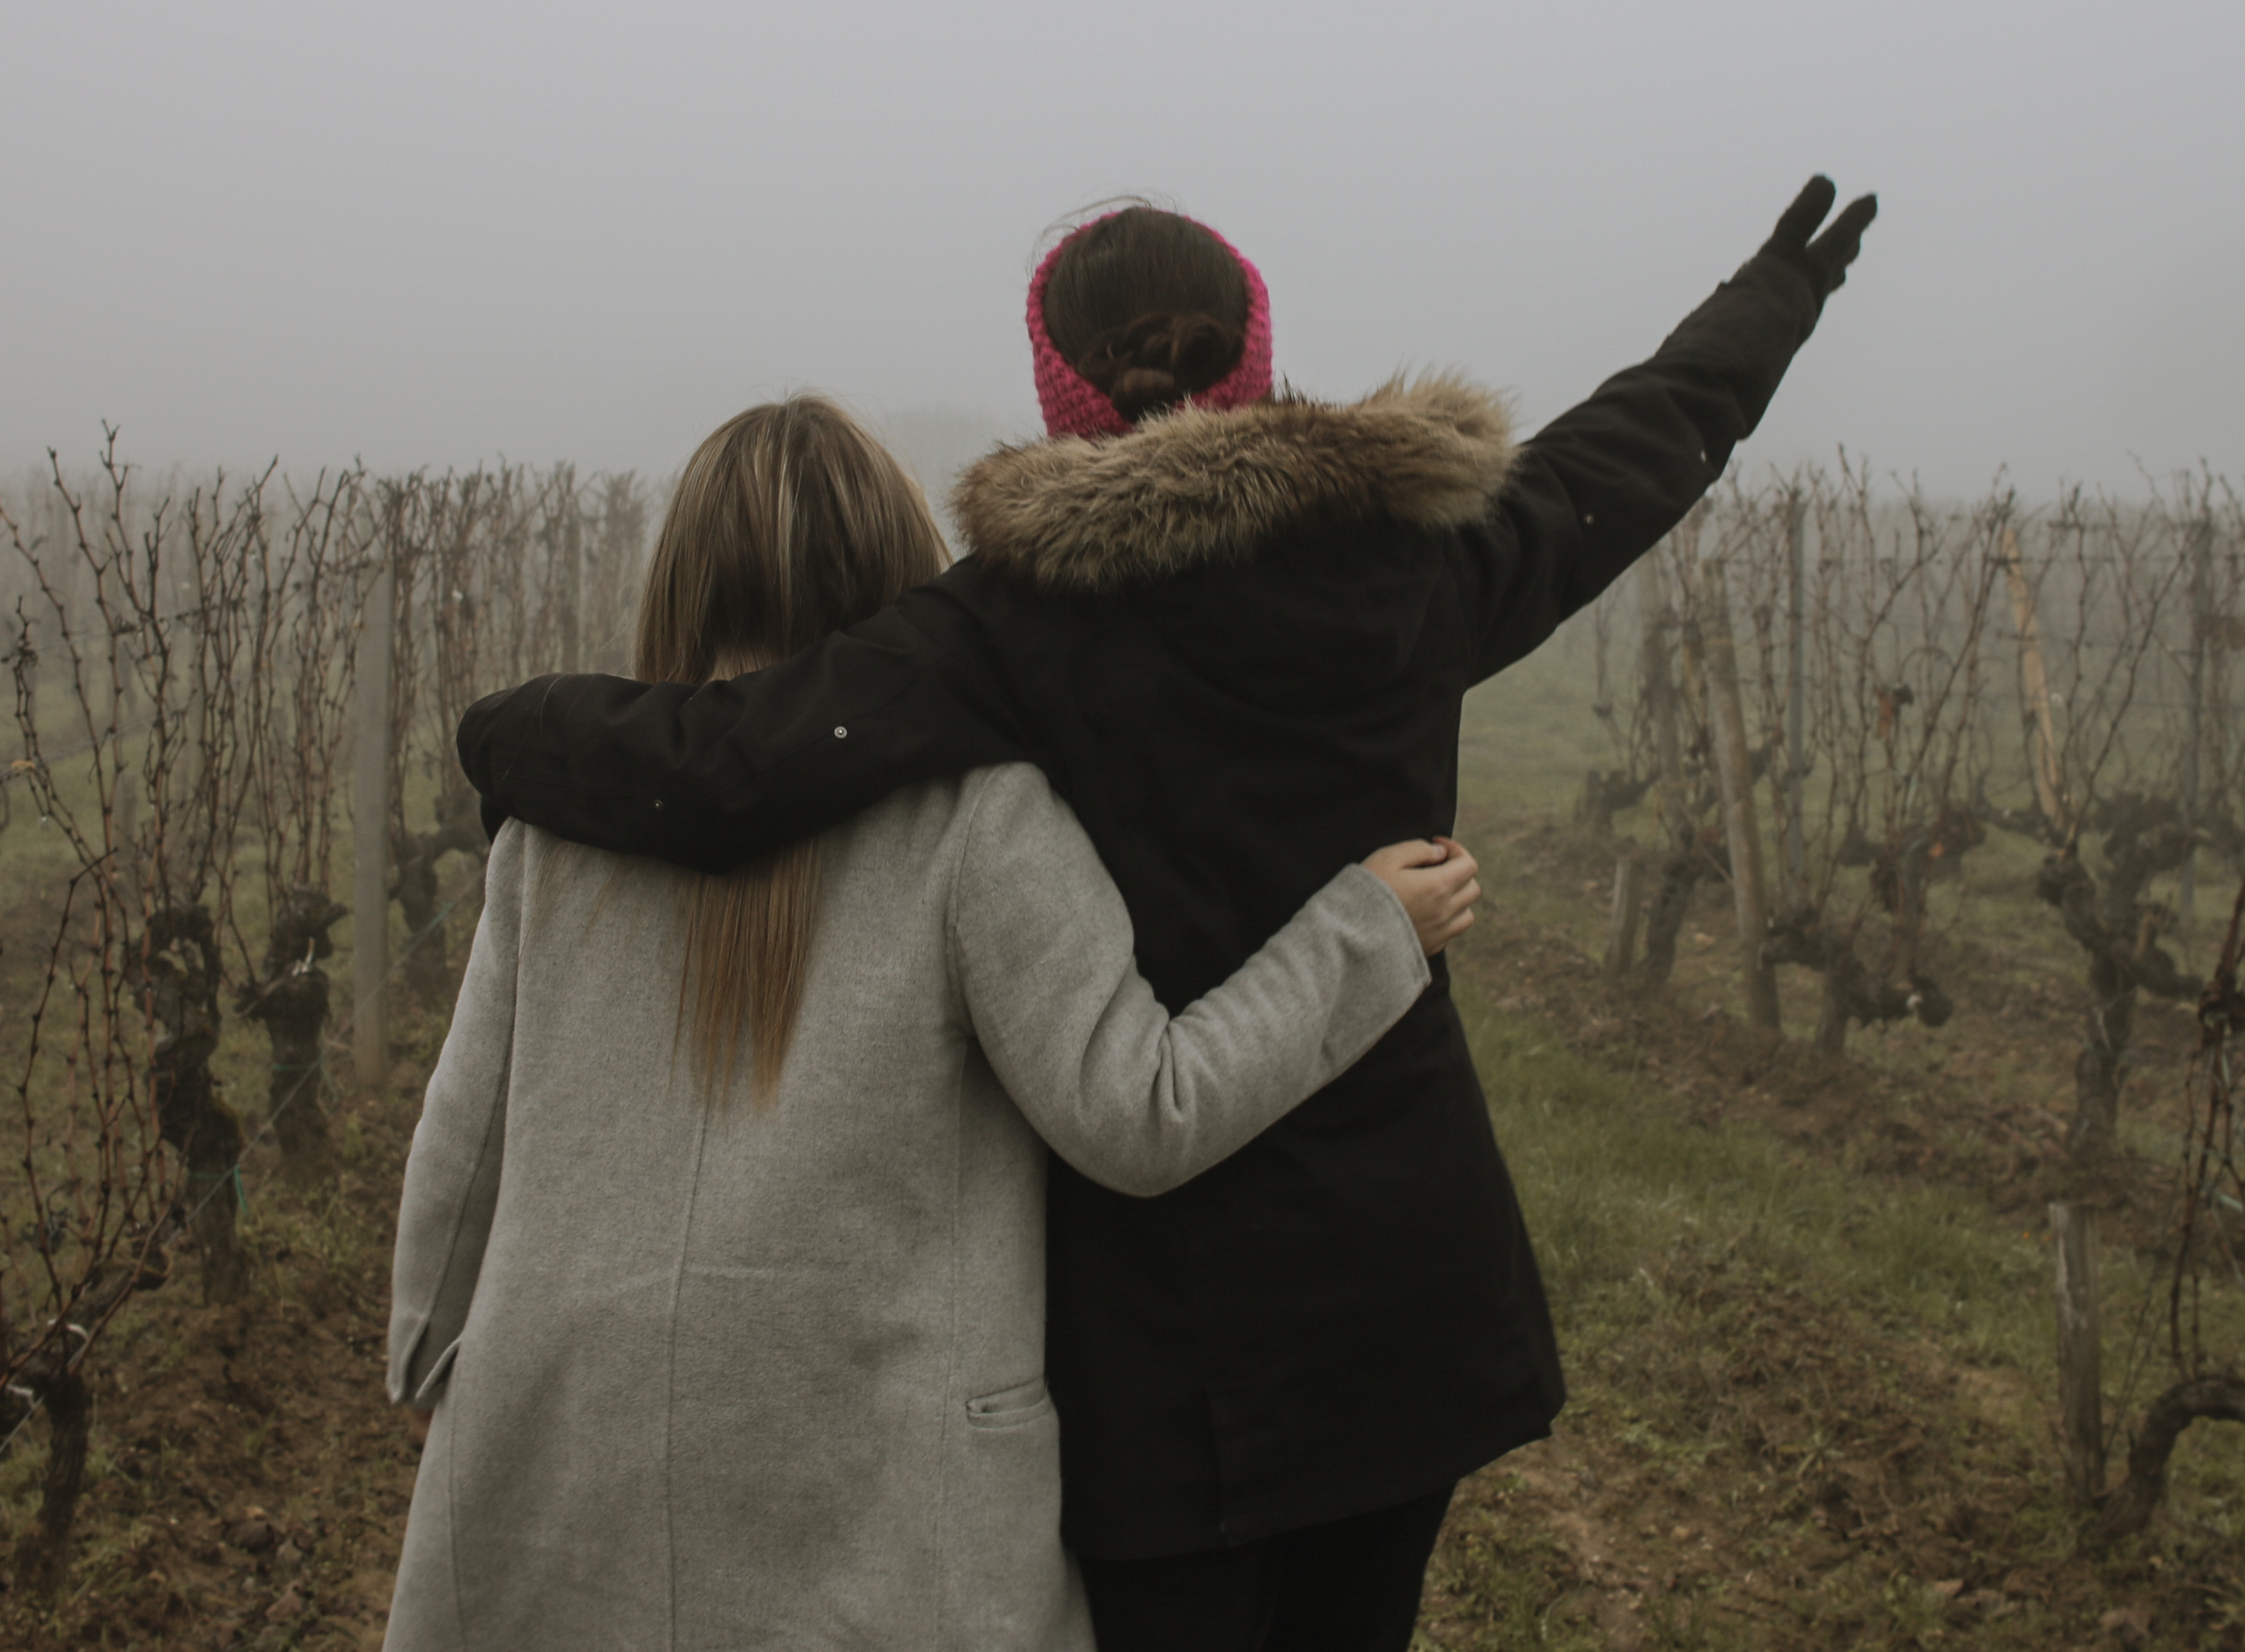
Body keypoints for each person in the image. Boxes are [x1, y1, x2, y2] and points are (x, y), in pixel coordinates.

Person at [454, 177, 1880, 1649]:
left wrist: (505, 735)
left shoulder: (1007, 629)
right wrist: (1776, 295)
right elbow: (1632, 451)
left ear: (1059, 389)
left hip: (1160, 1355)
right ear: (1255, 359)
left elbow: (734, 764)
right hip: (1406, 1303)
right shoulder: (1420, 567)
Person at [381, 394, 1485, 1652]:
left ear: (677, 581)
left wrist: (427, 1361)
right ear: (914, 584)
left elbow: (462, 1137)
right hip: (884, 1496)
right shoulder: (980, 815)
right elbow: (1140, 1112)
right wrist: (1366, 933)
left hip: (572, 1446)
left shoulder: (559, 818)